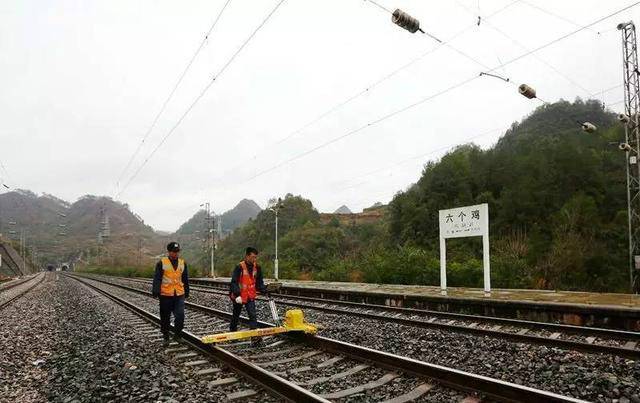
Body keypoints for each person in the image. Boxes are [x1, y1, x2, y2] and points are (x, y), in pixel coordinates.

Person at [152, 241, 190, 345]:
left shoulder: (183, 263)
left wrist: (187, 291)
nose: (176, 253)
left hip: (179, 294)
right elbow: (157, 278)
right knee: (165, 317)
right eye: (173, 251)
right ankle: (166, 336)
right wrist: (156, 290)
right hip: (165, 295)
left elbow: (185, 278)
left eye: (177, 251)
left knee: (180, 315)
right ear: (169, 252)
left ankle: (177, 335)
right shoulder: (162, 263)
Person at [229, 247, 267, 346]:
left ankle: (254, 339)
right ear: (247, 256)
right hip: (239, 297)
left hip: (250, 296)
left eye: (256, 257)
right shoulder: (239, 267)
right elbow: (234, 282)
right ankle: (233, 334)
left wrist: (265, 289)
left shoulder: (257, 267)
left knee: (253, 316)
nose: (254, 259)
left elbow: (259, 283)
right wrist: (237, 295)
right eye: (252, 257)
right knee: (236, 315)